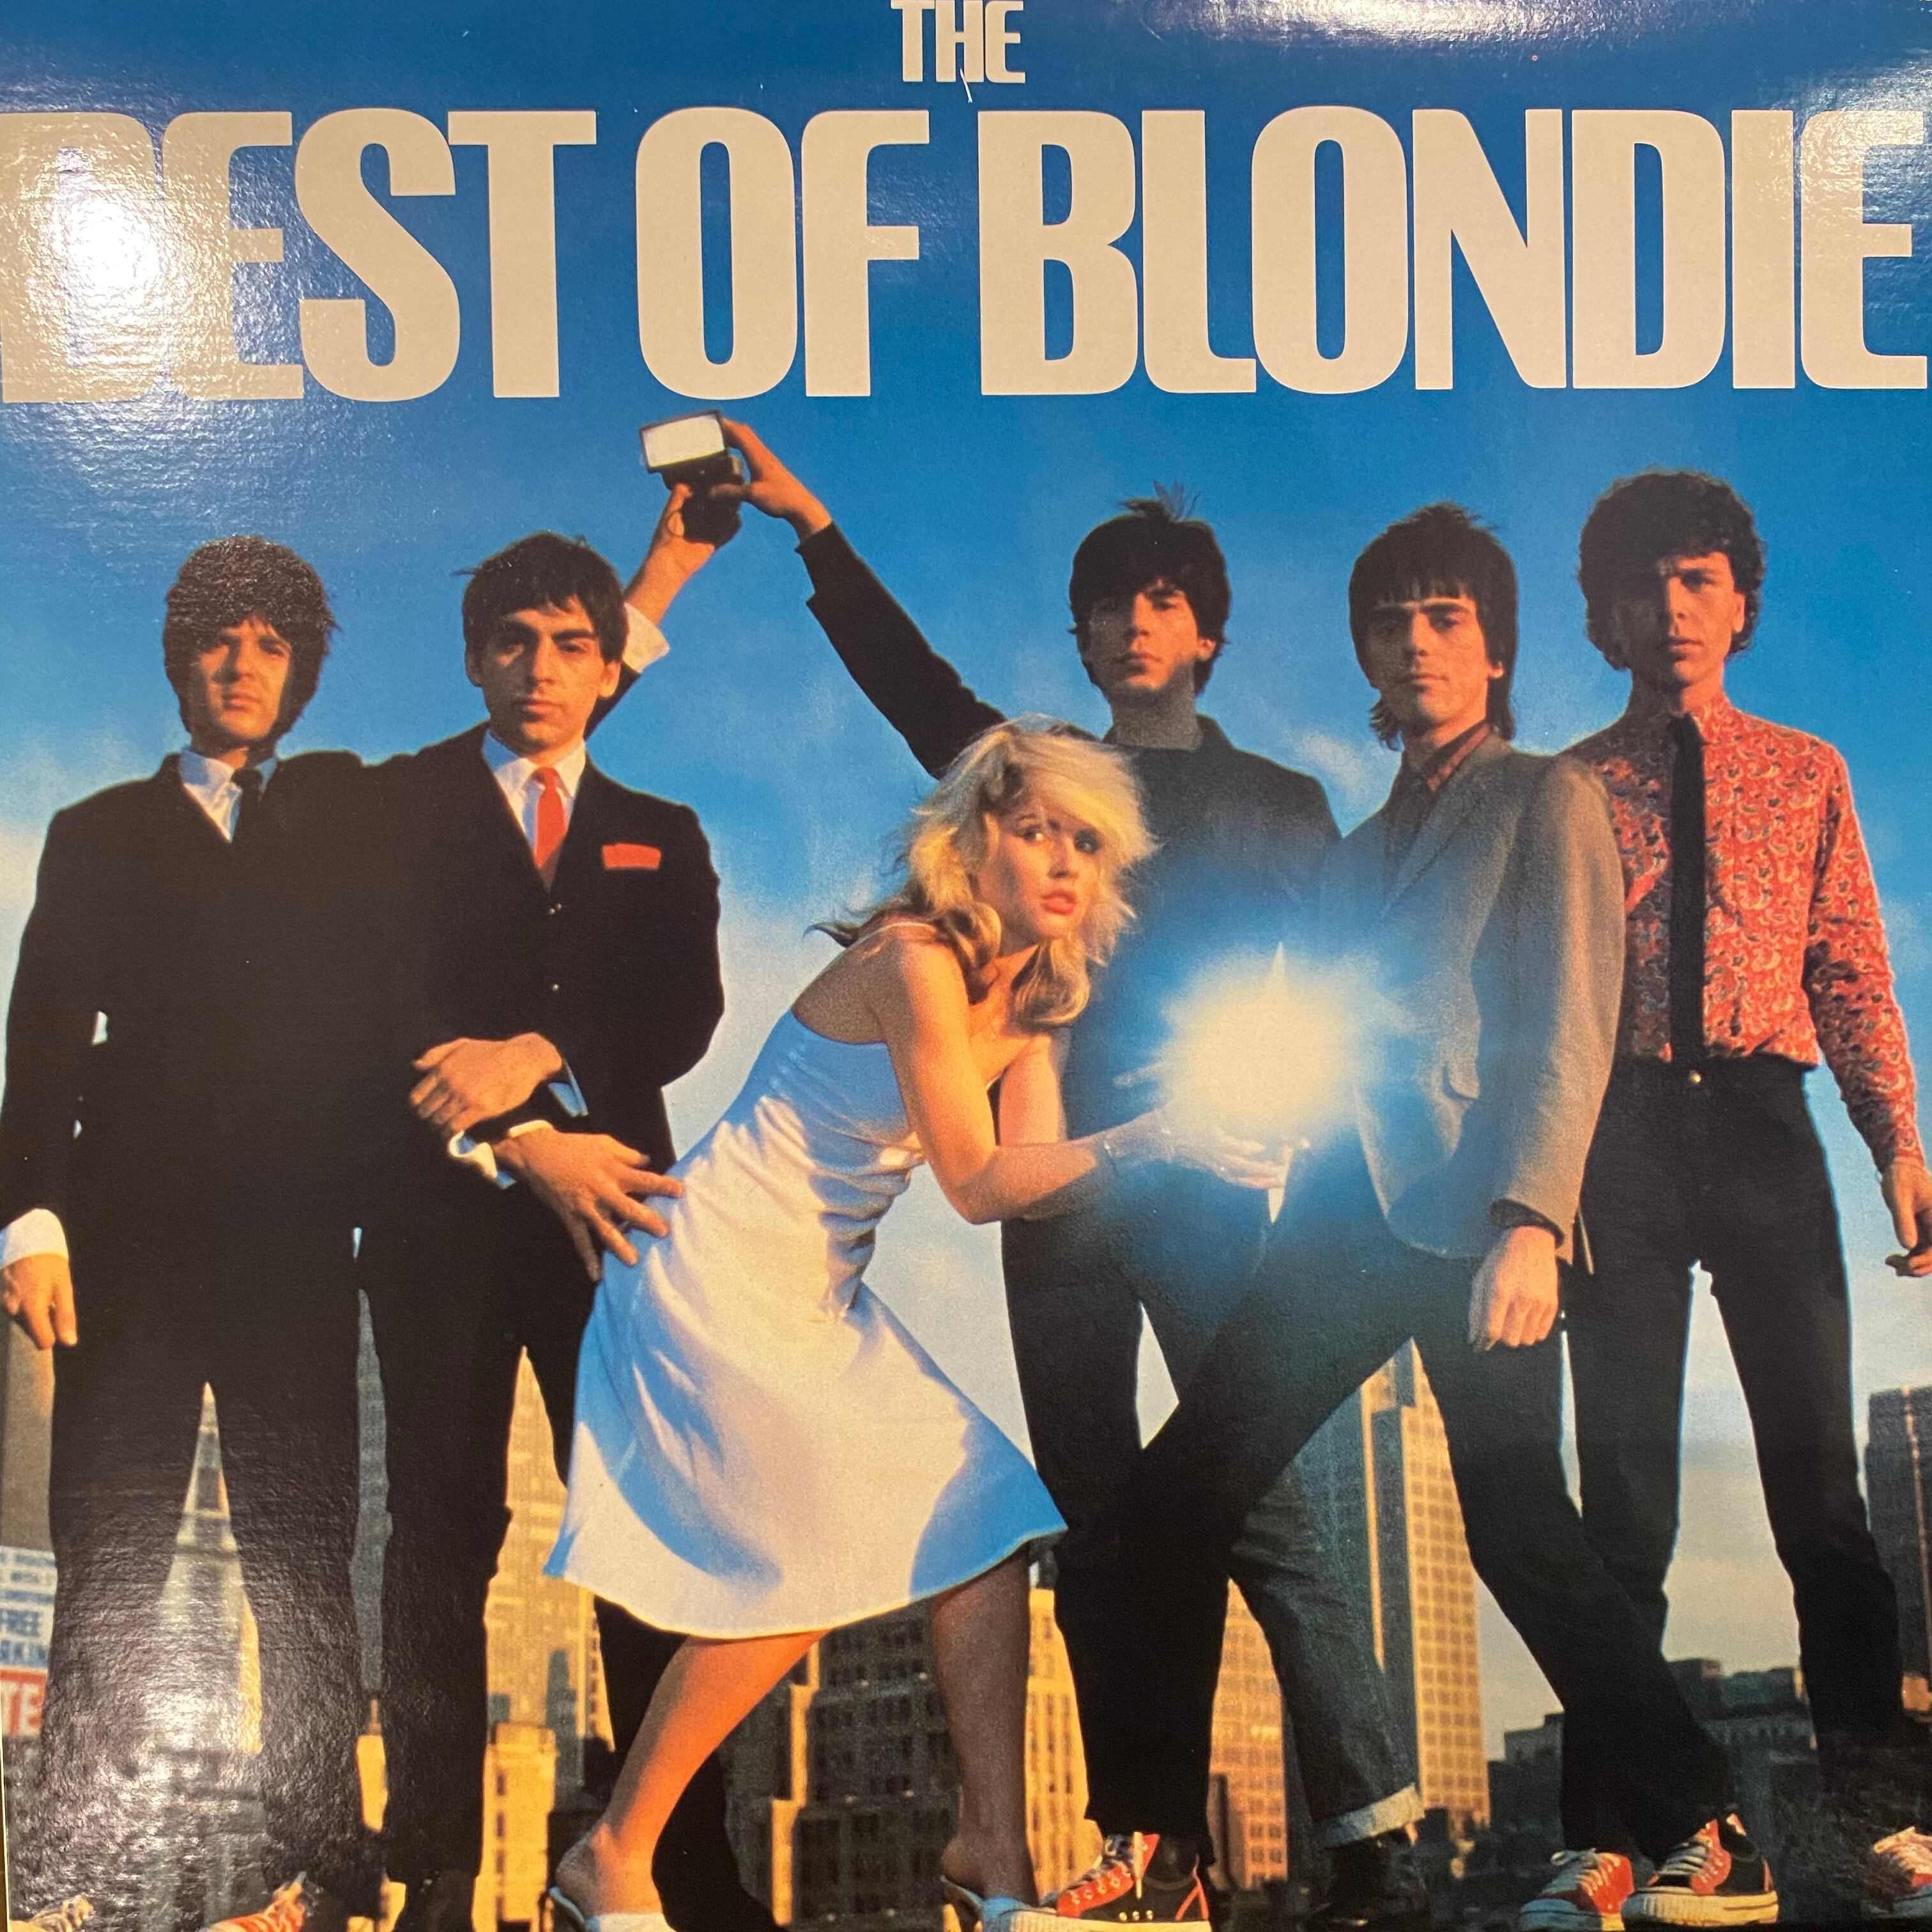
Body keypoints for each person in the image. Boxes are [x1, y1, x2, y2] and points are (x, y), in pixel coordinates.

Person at [691, 422, 1428, 1929]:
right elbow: (912, 687)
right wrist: (814, 526)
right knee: (1092, 1509)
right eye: (1109, 603)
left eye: (1165, 601)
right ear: (1082, 635)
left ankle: (1376, 1840)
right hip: (1048, 1178)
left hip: (1210, 1179)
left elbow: (1364, 981)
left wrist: (1321, 1122)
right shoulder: (1035, 779)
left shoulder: (1283, 803)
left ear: (1207, 633)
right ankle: (1155, 1845)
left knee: (1265, 1508)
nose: (1136, 623)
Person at [1104, 504, 1785, 1931]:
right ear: (1366, 653)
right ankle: (1158, 1861)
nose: (1415, 643)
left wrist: (1534, 1220)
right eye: (1390, 623)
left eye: (1445, 619)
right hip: (1338, 1219)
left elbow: (1570, 1017)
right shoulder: (1355, 852)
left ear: (1495, 647)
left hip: (1482, 1222)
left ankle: (1710, 1829)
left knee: (1518, 1526)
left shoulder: (1548, 797)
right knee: (1175, 1496)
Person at [539, 717, 1284, 1932]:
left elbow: (1031, 1181)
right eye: (1035, 830)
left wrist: (1196, 1157)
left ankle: (993, 1856)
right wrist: (1154, 1137)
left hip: (814, 1291)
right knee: (810, 1552)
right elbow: (975, 1183)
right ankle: (612, 1855)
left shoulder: (1039, 1004)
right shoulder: (913, 960)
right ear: (972, 843)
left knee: (986, 1524)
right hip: (711, 1270)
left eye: (1087, 842)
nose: (1063, 861)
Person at [356, 509, 778, 1932]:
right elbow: (373, 994)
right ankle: (431, 1869)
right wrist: (519, 1138)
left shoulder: (665, 832)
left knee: (642, 1528)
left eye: (572, 645)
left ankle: (671, 1862)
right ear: (475, 660)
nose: (542, 667)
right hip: (436, 1225)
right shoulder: (395, 808)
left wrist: (537, 1056)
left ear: (610, 669)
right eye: (515, 642)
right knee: (438, 1531)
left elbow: (685, 1010)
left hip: (615, 1223)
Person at [1560, 470, 1932, 1922]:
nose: (1673, 610)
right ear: (1605, 615)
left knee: (1823, 1502)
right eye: (1645, 585)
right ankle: (1609, 1838)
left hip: (1772, 1132)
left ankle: (1885, 1823)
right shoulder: (1566, 790)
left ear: (1741, 605)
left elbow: (1850, 969)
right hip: (1621, 1143)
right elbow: (1545, 996)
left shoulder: (1807, 770)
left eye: (1699, 581)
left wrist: (1898, 1142)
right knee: (1624, 1508)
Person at [0, 539, 382, 1930]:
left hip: (294, 1242)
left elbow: (538, 724)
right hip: (131, 1241)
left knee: (304, 1556)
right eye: (218, 638)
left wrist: (661, 576)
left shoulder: (345, 812)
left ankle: (321, 1872)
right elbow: (43, 1031)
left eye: (272, 643)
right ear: (180, 660)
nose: (241, 663)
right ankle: (66, 1880)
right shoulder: (97, 829)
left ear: (302, 670)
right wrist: (30, 1219)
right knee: (107, 1550)